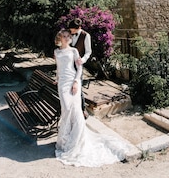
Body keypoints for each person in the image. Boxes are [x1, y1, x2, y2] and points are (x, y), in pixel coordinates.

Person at [53, 30, 127, 167]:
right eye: (65, 36)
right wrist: (57, 79)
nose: (68, 38)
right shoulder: (56, 52)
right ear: (60, 38)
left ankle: (77, 141)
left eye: (69, 36)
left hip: (73, 82)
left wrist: (76, 82)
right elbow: (58, 68)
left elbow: (79, 69)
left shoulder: (74, 51)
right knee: (66, 110)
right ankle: (66, 140)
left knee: (74, 110)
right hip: (62, 84)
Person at [68, 18, 91, 118]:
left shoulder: (86, 36)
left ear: (79, 28)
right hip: (68, 65)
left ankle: (82, 110)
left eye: (73, 29)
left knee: (78, 87)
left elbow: (88, 52)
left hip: (78, 66)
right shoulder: (69, 34)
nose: (71, 31)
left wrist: (83, 60)